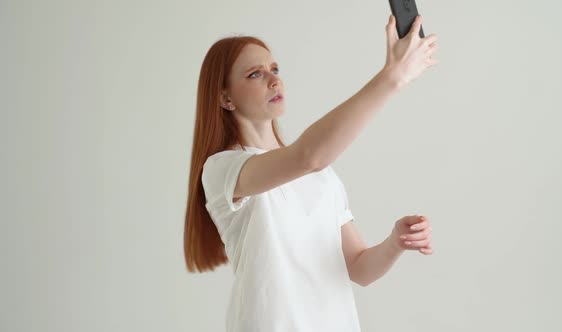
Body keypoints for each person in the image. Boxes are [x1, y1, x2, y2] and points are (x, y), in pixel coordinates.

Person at [184, 14, 437, 332]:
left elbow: (359, 268)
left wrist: (395, 242)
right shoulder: (222, 170)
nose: (274, 80)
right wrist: (391, 78)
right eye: (255, 74)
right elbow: (307, 156)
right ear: (225, 98)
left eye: (275, 70)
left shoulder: (322, 176)